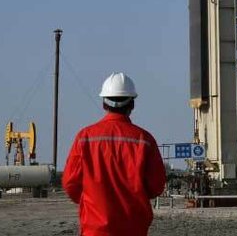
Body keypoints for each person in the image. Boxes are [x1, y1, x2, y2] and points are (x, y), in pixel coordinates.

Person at [63, 72, 166, 236]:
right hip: (134, 229)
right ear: (132, 104)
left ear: (104, 104)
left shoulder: (85, 138)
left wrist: (92, 201)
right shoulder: (144, 140)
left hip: (95, 230)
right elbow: (156, 187)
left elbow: (70, 184)